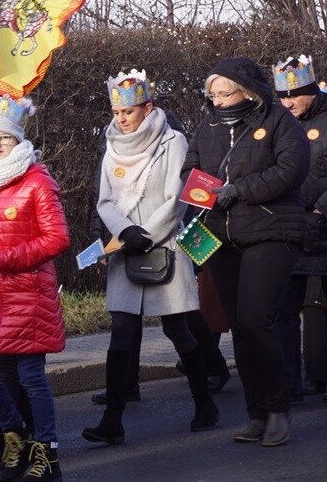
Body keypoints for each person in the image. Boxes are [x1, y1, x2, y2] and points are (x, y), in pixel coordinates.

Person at [82, 70, 219, 447]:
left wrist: (147, 234)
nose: (121, 119)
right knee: (121, 334)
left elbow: (178, 197)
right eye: (116, 112)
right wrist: (125, 232)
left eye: (128, 111)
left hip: (165, 246)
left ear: (148, 107)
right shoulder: (112, 145)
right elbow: (105, 200)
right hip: (127, 249)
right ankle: (112, 420)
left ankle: (205, 405)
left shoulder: (173, 141)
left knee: (178, 330)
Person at [181, 56, 310, 447]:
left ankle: (278, 408)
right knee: (239, 326)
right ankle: (257, 414)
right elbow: (191, 167)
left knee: (256, 320)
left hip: (271, 231)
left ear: (248, 92)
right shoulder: (207, 126)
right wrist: (202, 192)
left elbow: (291, 169)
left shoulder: (279, 121)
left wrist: (240, 190)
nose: (217, 101)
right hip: (221, 236)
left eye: (224, 94)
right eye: (213, 95)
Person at [0, 96, 68, 482]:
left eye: (3, 138)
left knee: (30, 376)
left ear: (17, 139)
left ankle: (47, 455)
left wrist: (7, 260)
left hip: (28, 292)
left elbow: (57, 238)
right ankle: (16, 436)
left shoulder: (37, 180)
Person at [271, 56, 327, 403]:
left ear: (312, 90)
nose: (288, 103)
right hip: (291, 228)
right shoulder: (279, 123)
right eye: (282, 96)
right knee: (283, 309)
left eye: (294, 95)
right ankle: (289, 383)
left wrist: (321, 210)